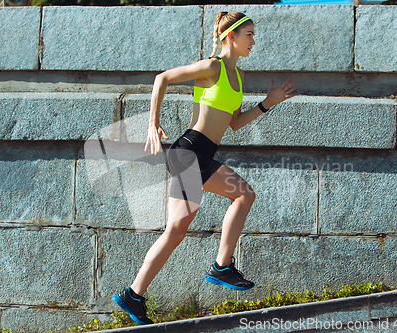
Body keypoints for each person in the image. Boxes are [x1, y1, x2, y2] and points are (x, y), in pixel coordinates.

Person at [113, 11, 297, 325]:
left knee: (179, 229)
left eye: (253, 35)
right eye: (249, 34)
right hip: (188, 152)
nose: (254, 41)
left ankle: (134, 294)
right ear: (231, 37)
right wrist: (152, 124)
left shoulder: (237, 78)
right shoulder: (212, 67)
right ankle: (220, 266)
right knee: (240, 197)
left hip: (201, 156)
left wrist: (268, 103)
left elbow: (235, 123)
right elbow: (163, 79)